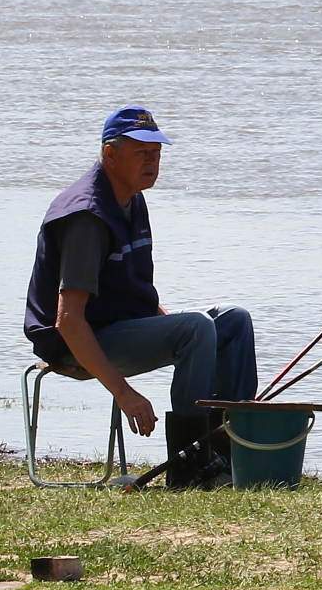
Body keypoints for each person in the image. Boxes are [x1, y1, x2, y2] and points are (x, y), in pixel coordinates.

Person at [22, 106, 257, 486]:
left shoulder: (132, 198)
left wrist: (174, 326)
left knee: (232, 320)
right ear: (110, 154)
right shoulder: (88, 216)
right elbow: (68, 320)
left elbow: (137, 293)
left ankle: (230, 453)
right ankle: (191, 469)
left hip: (118, 326)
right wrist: (125, 393)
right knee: (196, 328)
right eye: (141, 153)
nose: (152, 162)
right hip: (75, 342)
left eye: (156, 153)